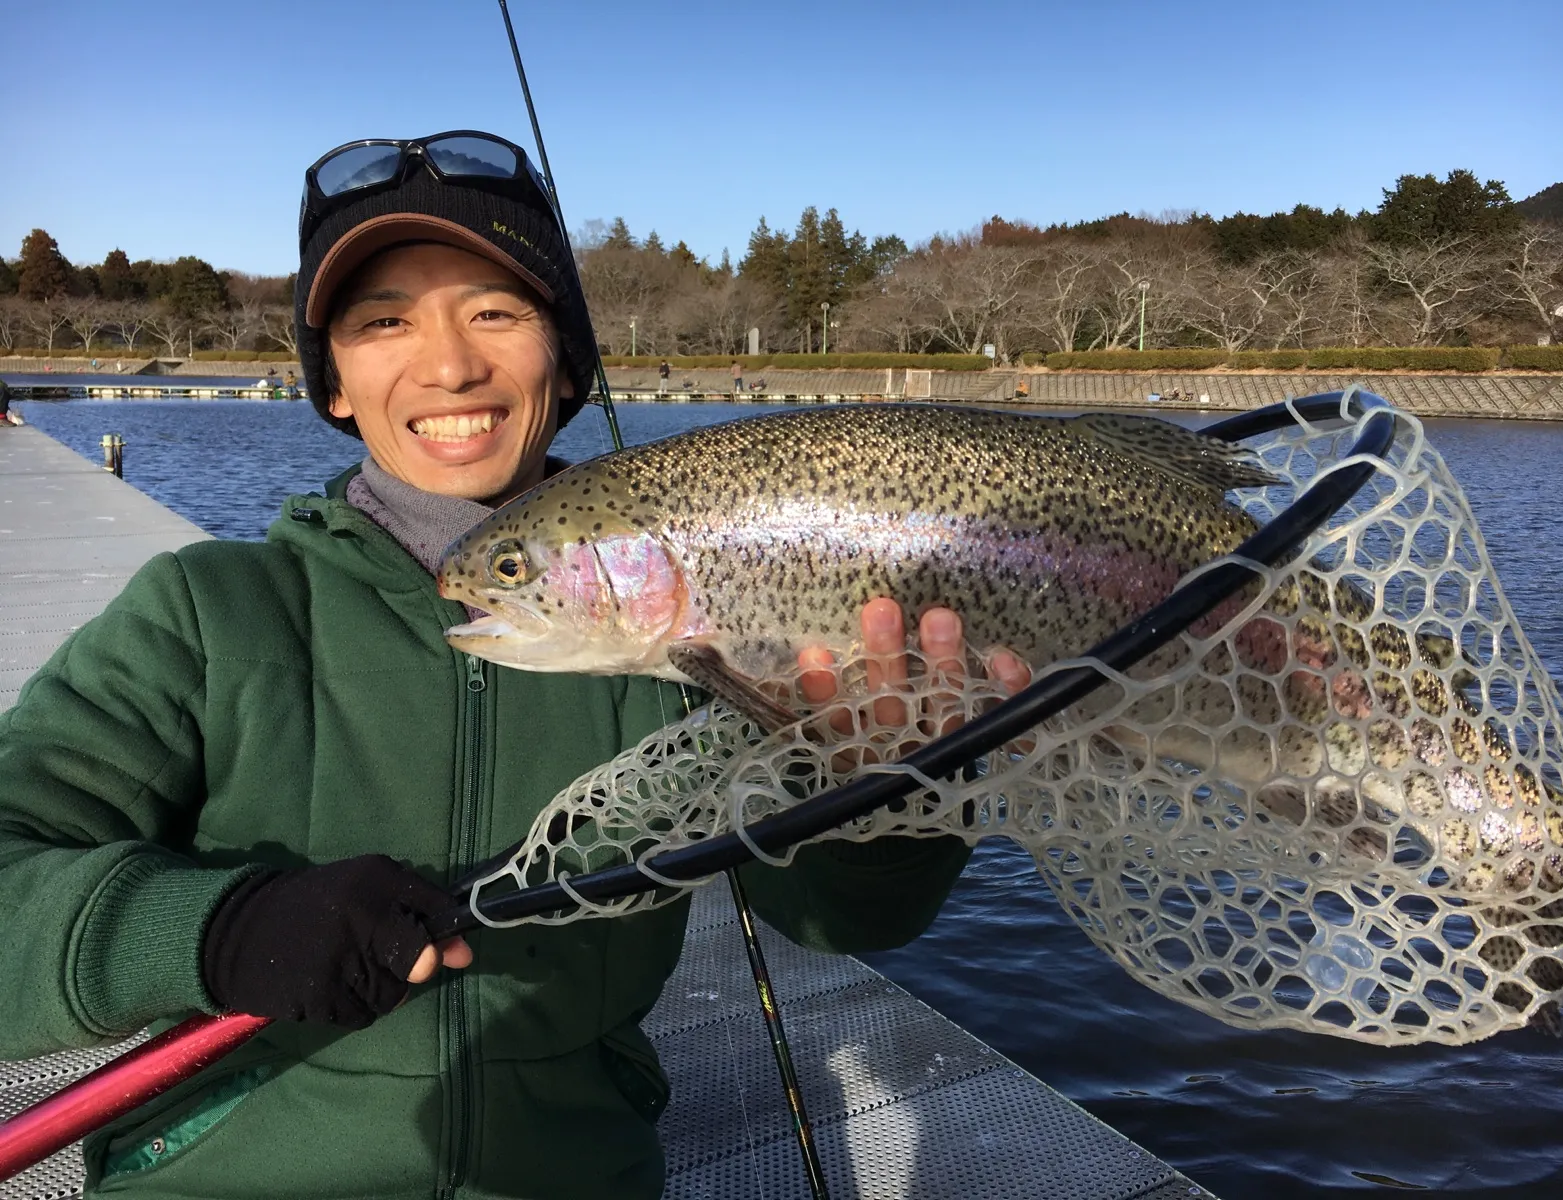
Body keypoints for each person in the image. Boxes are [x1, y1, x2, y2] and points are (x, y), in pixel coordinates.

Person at [0, 130, 1027, 1199]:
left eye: (496, 311)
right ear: (335, 383)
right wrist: (213, 928)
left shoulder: (700, 643)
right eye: (381, 321)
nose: (449, 364)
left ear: (566, 359)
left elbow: (845, 920)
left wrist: (892, 783)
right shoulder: (203, 612)